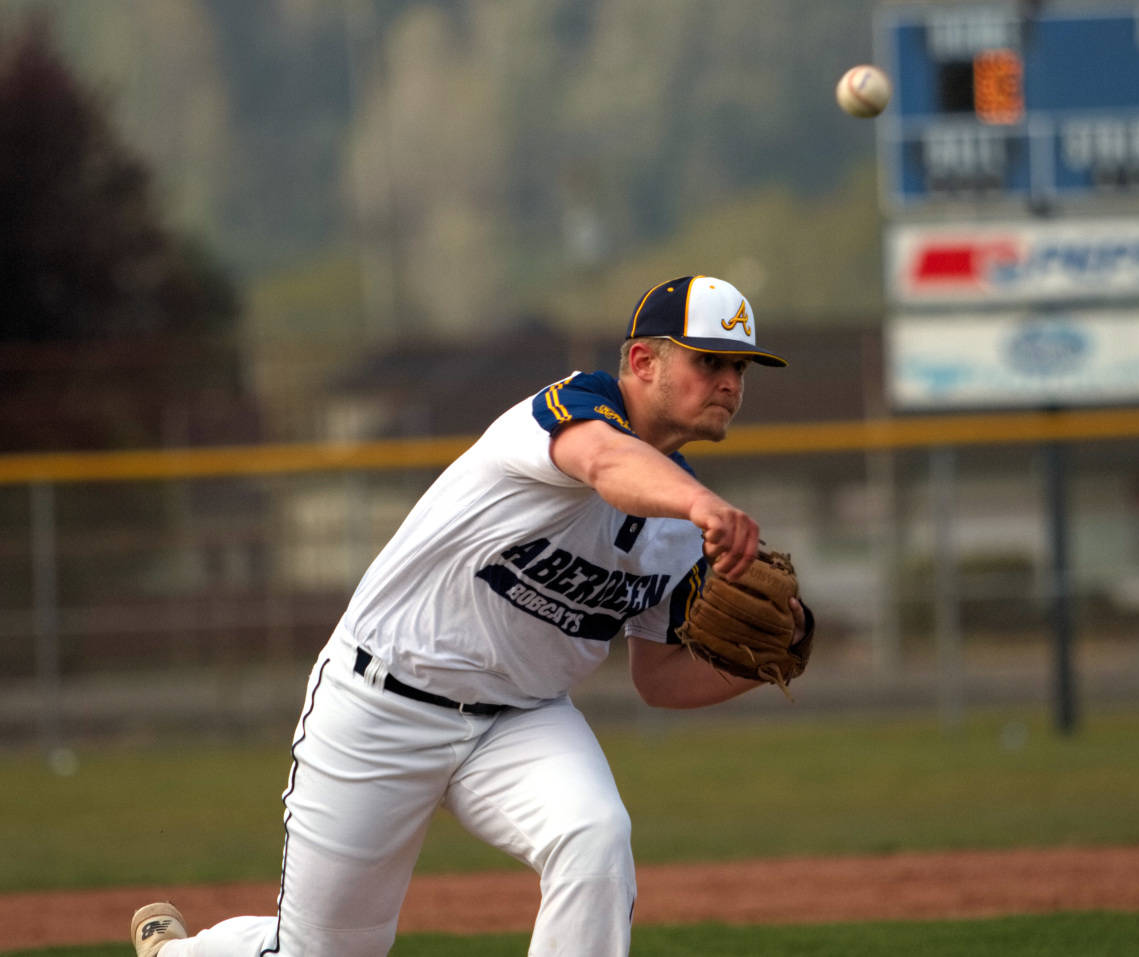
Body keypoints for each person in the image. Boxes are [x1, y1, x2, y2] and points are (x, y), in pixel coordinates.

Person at [130, 274, 814, 957]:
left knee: (594, 836)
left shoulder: (681, 531)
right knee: (322, 953)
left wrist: (776, 658)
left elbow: (658, 678)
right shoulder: (574, 409)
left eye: (740, 367)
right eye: (709, 361)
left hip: (522, 719)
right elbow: (605, 461)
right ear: (642, 362)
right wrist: (699, 504)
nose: (729, 382)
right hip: (382, 702)